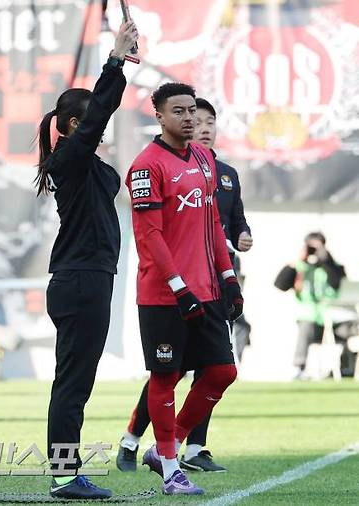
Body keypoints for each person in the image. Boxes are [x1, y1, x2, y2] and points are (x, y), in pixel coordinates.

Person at [116, 97, 253, 474]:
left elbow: (214, 225)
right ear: (158, 117)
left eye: (194, 111)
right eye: (180, 111)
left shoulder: (206, 160)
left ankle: (169, 447)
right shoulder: (146, 166)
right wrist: (178, 286)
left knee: (223, 371)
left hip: (207, 289)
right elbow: (150, 236)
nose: (191, 118)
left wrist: (229, 279)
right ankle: (167, 463)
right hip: (165, 295)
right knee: (166, 376)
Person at [36, 21, 138, 500]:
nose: (103, 124)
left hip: (89, 279)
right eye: (92, 119)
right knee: (73, 384)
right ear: (75, 126)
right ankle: (63, 474)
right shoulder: (69, 161)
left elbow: (98, 117)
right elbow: (100, 111)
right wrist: (115, 61)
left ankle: (64, 471)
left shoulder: (90, 165)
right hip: (80, 281)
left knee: (74, 381)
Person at [274, 232, 345, 378]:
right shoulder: (299, 268)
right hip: (309, 319)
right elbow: (280, 285)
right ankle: (299, 367)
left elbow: (338, 282)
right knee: (306, 329)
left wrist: (326, 259)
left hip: (334, 318)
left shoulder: (333, 267)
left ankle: (345, 367)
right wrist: (297, 260)